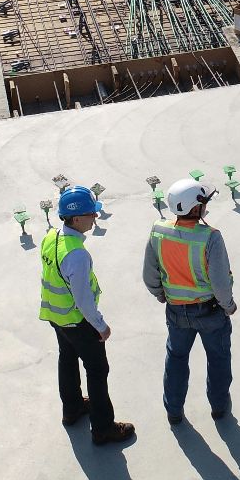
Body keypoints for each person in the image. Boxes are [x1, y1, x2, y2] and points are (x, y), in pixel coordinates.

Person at [41, 184, 135, 446]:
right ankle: (103, 428)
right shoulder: (77, 255)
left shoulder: (51, 237)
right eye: (92, 214)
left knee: (67, 359)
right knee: (97, 370)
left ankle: (72, 409)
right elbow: (83, 299)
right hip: (77, 321)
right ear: (77, 218)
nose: (96, 217)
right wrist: (100, 326)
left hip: (56, 316)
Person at [143, 177, 236, 424]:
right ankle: (218, 407)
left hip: (176, 311)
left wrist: (161, 294)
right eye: (204, 202)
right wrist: (229, 305)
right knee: (218, 359)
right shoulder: (210, 237)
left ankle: (174, 410)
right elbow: (220, 281)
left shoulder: (159, 231)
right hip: (210, 312)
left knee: (176, 359)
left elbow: (150, 274)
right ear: (195, 208)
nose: (206, 206)